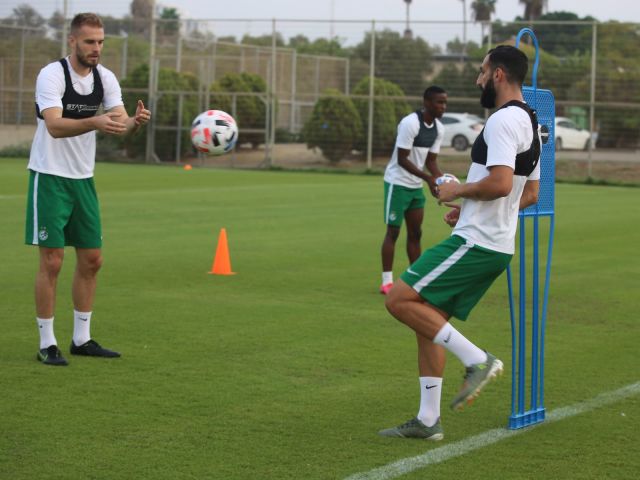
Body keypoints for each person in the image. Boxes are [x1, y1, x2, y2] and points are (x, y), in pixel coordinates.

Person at [379, 45, 541, 440]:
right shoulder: (531, 122)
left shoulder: (503, 120)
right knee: (427, 321)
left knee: (398, 299)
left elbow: (500, 184)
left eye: (482, 71)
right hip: (495, 244)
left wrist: (458, 191)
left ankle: (477, 359)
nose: (478, 79)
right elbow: (529, 193)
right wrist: (468, 206)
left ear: (498, 74)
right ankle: (428, 420)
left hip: (477, 243)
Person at [25, 13, 151, 366]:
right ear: (73, 41)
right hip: (50, 176)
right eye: (89, 42)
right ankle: (47, 343)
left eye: (100, 42)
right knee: (52, 261)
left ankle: (82, 339)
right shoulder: (52, 74)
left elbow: (119, 123)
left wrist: (135, 122)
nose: (96, 48)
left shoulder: (105, 78)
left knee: (93, 260)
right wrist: (94, 121)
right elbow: (54, 126)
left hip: (83, 178)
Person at [380, 86, 447, 295]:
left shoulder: (439, 129)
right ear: (427, 103)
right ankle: (387, 282)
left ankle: (415, 280)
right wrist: (428, 179)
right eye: (439, 102)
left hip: (415, 186)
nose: (443, 106)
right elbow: (402, 159)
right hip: (397, 183)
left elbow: (431, 162)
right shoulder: (410, 123)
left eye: (445, 102)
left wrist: (441, 182)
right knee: (393, 231)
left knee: (416, 233)